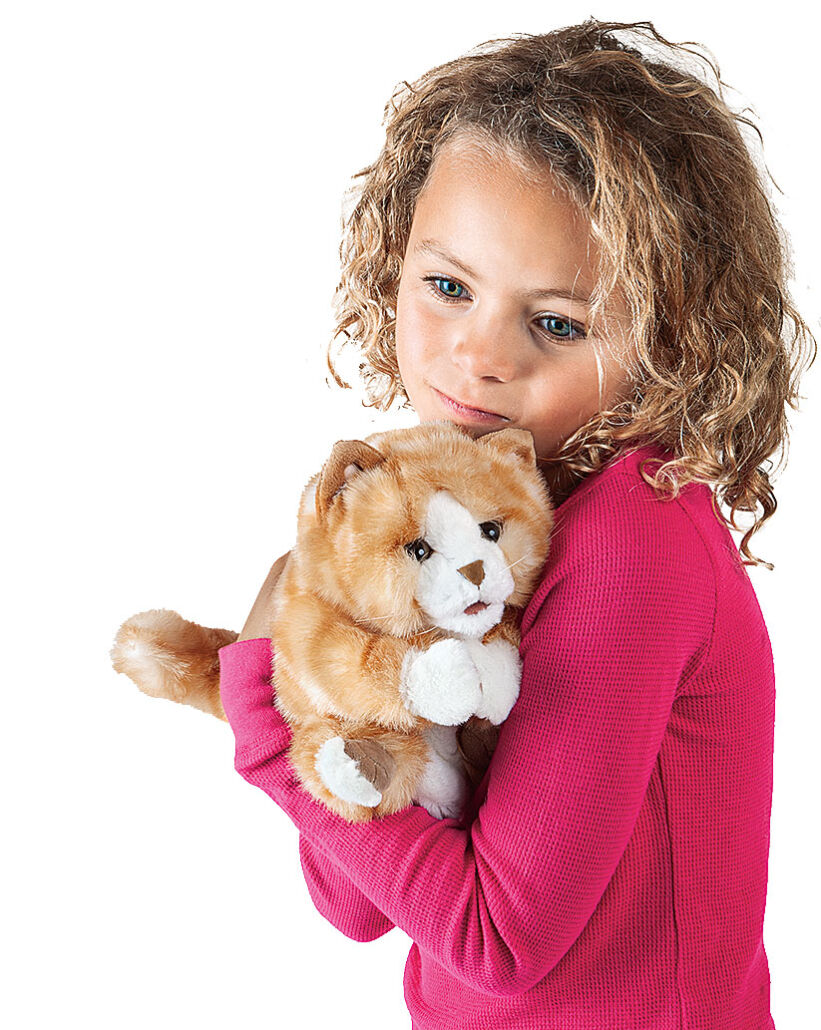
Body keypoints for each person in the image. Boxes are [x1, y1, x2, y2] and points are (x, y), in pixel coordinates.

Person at [218, 19, 815, 1029]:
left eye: (555, 323)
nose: (478, 356)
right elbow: (358, 905)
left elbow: (496, 938)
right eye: (447, 287)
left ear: (668, 343)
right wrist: (325, 668)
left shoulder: (631, 540)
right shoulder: (465, 530)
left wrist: (267, 717)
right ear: (392, 261)